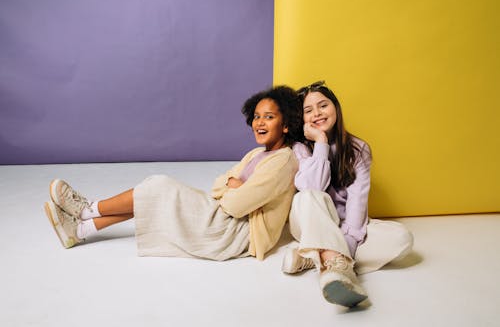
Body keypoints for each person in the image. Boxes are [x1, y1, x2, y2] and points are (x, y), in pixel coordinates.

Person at [44, 85, 302, 261]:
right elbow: (218, 185)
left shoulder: (283, 161)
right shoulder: (257, 154)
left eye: (268, 117)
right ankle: (81, 229)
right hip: (223, 215)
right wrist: (232, 185)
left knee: (158, 187)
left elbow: (235, 206)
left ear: (287, 124)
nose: (259, 123)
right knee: (156, 193)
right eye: (256, 116)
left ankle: (87, 209)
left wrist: (233, 187)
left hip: (236, 233)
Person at [282, 81, 413, 307]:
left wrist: (348, 242)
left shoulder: (358, 148)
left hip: (346, 227)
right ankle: (335, 264)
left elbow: (357, 201)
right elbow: (313, 187)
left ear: (336, 107)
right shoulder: (299, 147)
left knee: (402, 238)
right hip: (310, 221)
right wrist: (321, 141)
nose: (317, 114)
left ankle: (315, 257)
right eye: (308, 110)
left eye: (323, 105)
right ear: (301, 119)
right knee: (308, 196)